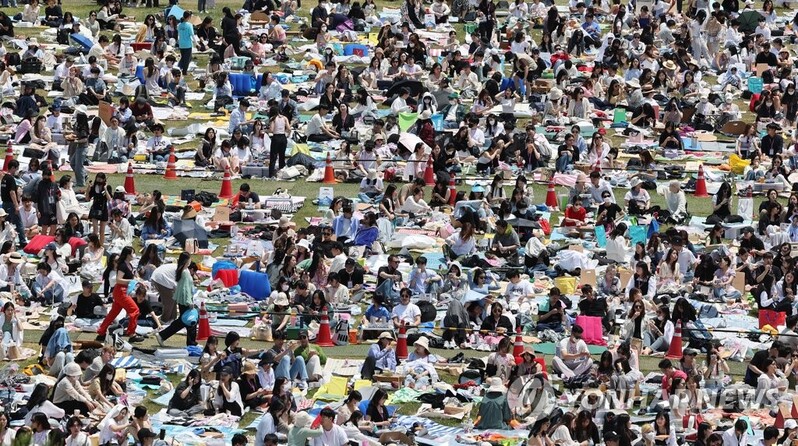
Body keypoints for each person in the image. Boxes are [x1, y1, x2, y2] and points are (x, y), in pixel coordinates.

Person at [155, 252, 197, 347]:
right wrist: (189, 302)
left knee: (183, 321)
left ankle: (163, 335)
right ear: (187, 260)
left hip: (182, 300)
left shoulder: (182, 270)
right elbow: (185, 289)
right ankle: (191, 343)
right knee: (189, 321)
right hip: (185, 300)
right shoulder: (185, 272)